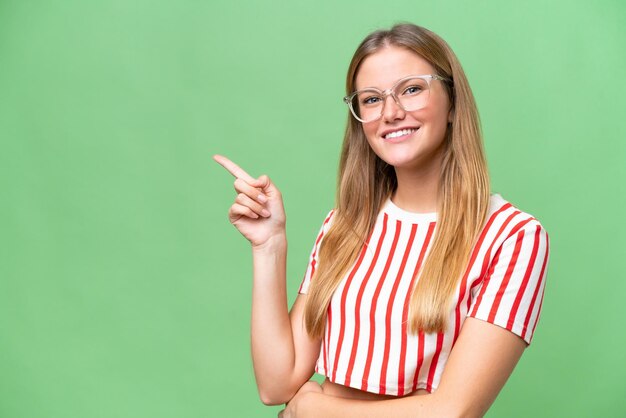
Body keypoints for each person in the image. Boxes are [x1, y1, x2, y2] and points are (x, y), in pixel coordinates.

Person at [214, 23, 549, 418]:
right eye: (371, 99)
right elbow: (277, 383)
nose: (391, 113)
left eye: (411, 89)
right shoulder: (345, 225)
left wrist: (314, 409)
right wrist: (269, 246)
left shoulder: (512, 237)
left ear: (453, 102)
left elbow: (453, 411)